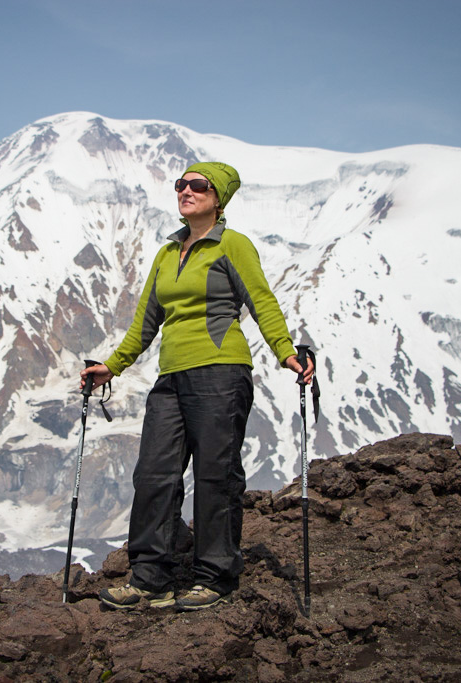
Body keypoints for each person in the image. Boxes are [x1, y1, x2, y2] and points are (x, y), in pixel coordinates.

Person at [80, 161, 314, 611]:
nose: (186, 191)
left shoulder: (233, 245)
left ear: (218, 198)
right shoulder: (168, 253)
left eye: (198, 186)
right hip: (171, 377)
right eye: (181, 184)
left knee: (215, 475)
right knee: (153, 474)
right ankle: (150, 577)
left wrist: (286, 352)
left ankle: (216, 575)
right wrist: (113, 366)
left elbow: (261, 300)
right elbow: (146, 321)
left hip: (222, 372)